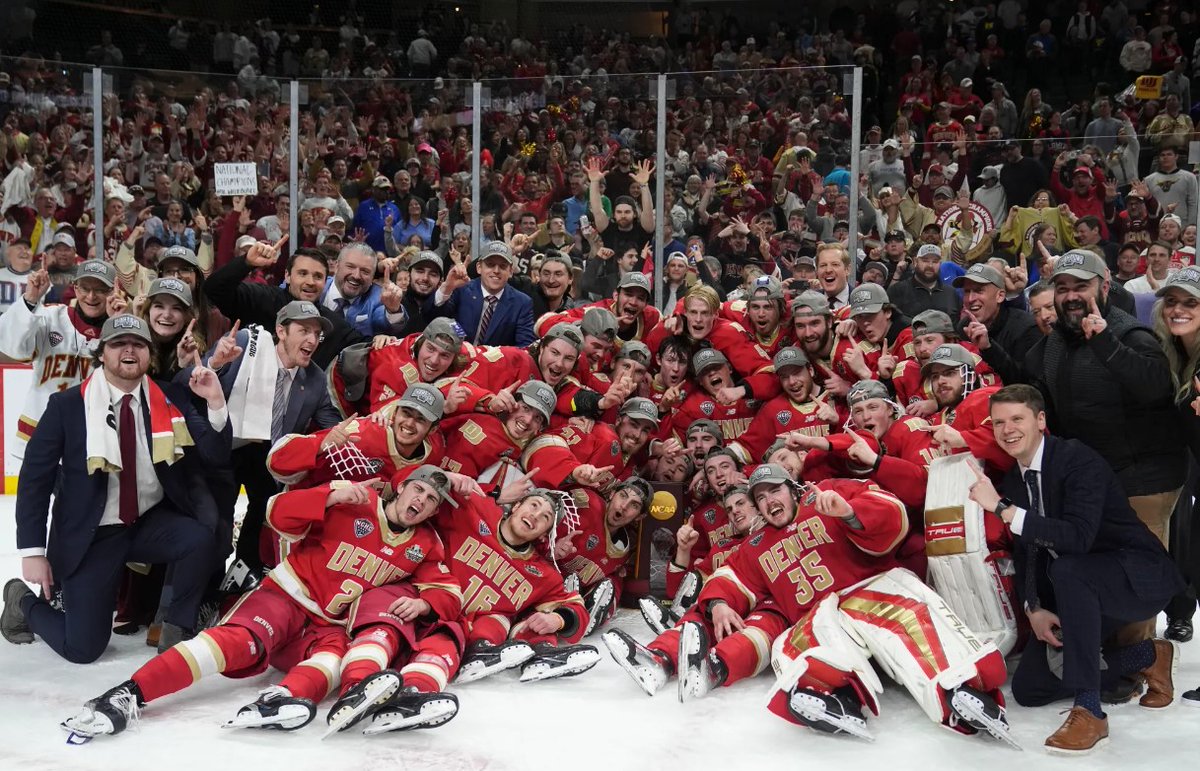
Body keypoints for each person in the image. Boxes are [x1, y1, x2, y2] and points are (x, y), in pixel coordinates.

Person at [52, 467, 460, 739]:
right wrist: (328, 495)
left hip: (328, 626)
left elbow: (447, 588)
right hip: (286, 596)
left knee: (332, 665)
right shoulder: (354, 502)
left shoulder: (425, 544)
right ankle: (127, 694)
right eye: (418, 490)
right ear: (401, 487)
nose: (421, 502)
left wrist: (426, 605)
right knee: (235, 642)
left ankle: (278, 700)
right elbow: (275, 514)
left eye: (431, 501)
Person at [967, 384, 1183, 754]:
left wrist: (1003, 509)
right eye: (999, 422)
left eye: (1017, 418)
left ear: (1040, 420)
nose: (1008, 430)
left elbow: (1079, 538)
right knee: (1031, 688)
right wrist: (1033, 607)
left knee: (1070, 568)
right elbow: (1026, 552)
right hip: (1077, 591)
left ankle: (1089, 710)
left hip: (1137, 579)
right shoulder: (1015, 481)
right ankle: (1148, 656)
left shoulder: (1077, 460)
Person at [2, 315, 230, 663]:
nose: (129, 350)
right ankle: (21, 601)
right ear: (102, 353)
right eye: (118, 343)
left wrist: (215, 402)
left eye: (138, 344)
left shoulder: (169, 398)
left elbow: (214, 454)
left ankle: (176, 628)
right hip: (91, 536)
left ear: (149, 355)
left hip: (144, 524)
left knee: (201, 536)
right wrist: (32, 550)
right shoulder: (67, 407)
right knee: (83, 649)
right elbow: (35, 479)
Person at [211, 300, 342, 574]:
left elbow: (332, 423)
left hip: (270, 458)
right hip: (225, 450)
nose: (312, 340)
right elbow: (200, 378)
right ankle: (206, 590)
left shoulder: (315, 378)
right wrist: (215, 363)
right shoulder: (247, 345)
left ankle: (242, 578)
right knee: (215, 529)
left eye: (317, 334)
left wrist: (356, 429)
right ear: (281, 332)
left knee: (266, 510)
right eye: (304, 331)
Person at [0, 259, 120, 460]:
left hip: (93, 443)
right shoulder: (50, 317)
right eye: (85, 288)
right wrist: (30, 299)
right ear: (75, 287)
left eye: (101, 289)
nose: (91, 296)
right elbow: (12, 345)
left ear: (113, 291)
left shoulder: (120, 327)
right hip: (40, 437)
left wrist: (118, 325)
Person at [204, 239, 365, 369]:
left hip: (302, 405)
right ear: (287, 276)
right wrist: (246, 262)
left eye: (317, 276)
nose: (310, 282)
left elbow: (366, 346)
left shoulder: (331, 324)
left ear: (325, 281)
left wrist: (388, 322)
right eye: (302, 273)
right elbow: (212, 290)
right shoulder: (262, 299)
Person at [430, 241, 535, 347]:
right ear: (479, 267)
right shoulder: (461, 289)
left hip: (498, 362)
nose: (496, 270)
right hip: (458, 358)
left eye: (503, 266)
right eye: (490, 265)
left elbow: (525, 347)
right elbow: (435, 318)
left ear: (511, 271)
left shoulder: (522, 303)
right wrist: (447, 288)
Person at [318, 243, 407, 336]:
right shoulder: (318, 286)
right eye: (350, 266)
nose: (356, 276)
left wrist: (393, 311)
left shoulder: (377, 297)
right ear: (337, 266)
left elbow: (386, 326)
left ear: (373, 277)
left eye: (365, 271)